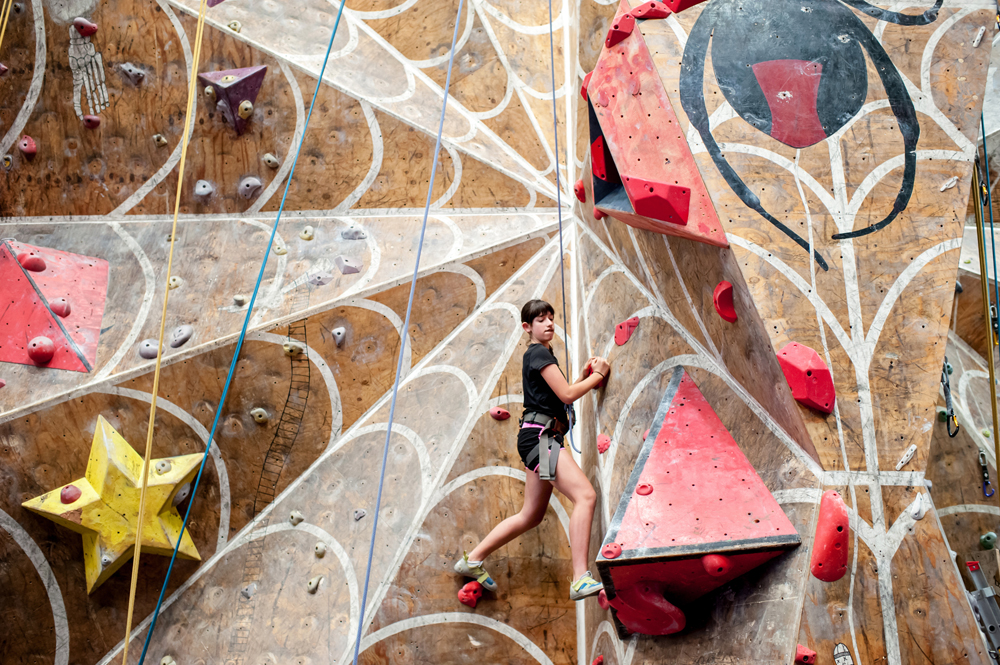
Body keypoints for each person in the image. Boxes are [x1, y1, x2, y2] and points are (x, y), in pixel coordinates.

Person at [455, 299, 611, 601]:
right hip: (542, 439)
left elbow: (559, 397)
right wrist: (597, 377)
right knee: (586, 496)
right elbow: (566, 394)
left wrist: (581, 379)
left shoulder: (541, 354)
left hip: (536, 439)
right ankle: (580, 579)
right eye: (541, 319)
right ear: (527, 327)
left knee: (530, 515)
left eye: (551, 318)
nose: (549, 323)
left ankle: (472, 560)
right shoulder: (538, 352)